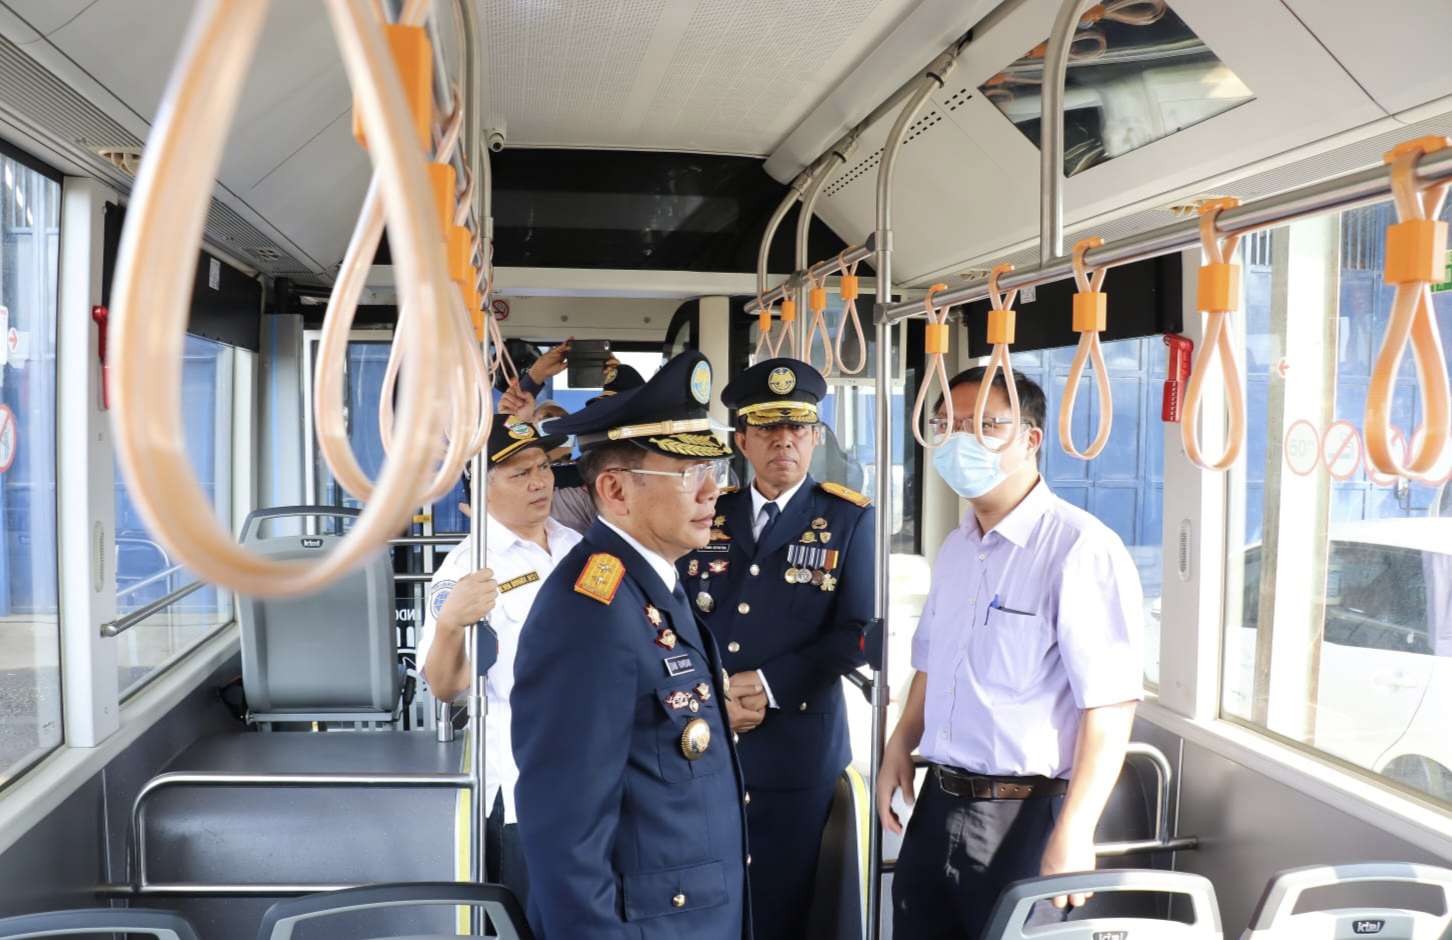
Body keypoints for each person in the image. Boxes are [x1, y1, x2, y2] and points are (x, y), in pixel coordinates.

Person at [878, 366, 1144, 939]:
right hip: (939, 802)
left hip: (1028, 817)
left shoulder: (1079, 549)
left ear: (1031, 439)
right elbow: (932, 660)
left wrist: (1076, 829)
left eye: (984, 425)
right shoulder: (955, 548)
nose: (959, 441)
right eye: (946, 426)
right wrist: (901, 741)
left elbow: (1111, 704)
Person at [511, 351, 751, 940]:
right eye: (690, 475)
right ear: (615, 490)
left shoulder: (654, 583)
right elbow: (565, 832)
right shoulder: (589, 612)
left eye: (713, 473)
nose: (712, 493)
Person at [676, 357, 874, 940]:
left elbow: (857, 633)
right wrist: (713, 690)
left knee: (787, 903)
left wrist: (767, 685)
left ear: (815, 437)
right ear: (742, 439)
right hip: (704, 736)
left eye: (797, 429)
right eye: (766, 428)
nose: (782, 441)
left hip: (797, 748)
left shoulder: (848, 519)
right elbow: (676, 615)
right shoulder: (711, 512)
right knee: (708, 895)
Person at [417, 416, 582, 909]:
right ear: (482, 487)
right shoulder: (466, 568)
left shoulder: (577, 546)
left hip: (596, 769)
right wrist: (450, 626)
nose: (540, 482)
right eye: (519, 473)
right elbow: (445, 687)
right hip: (526, 784)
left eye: (543, 466)